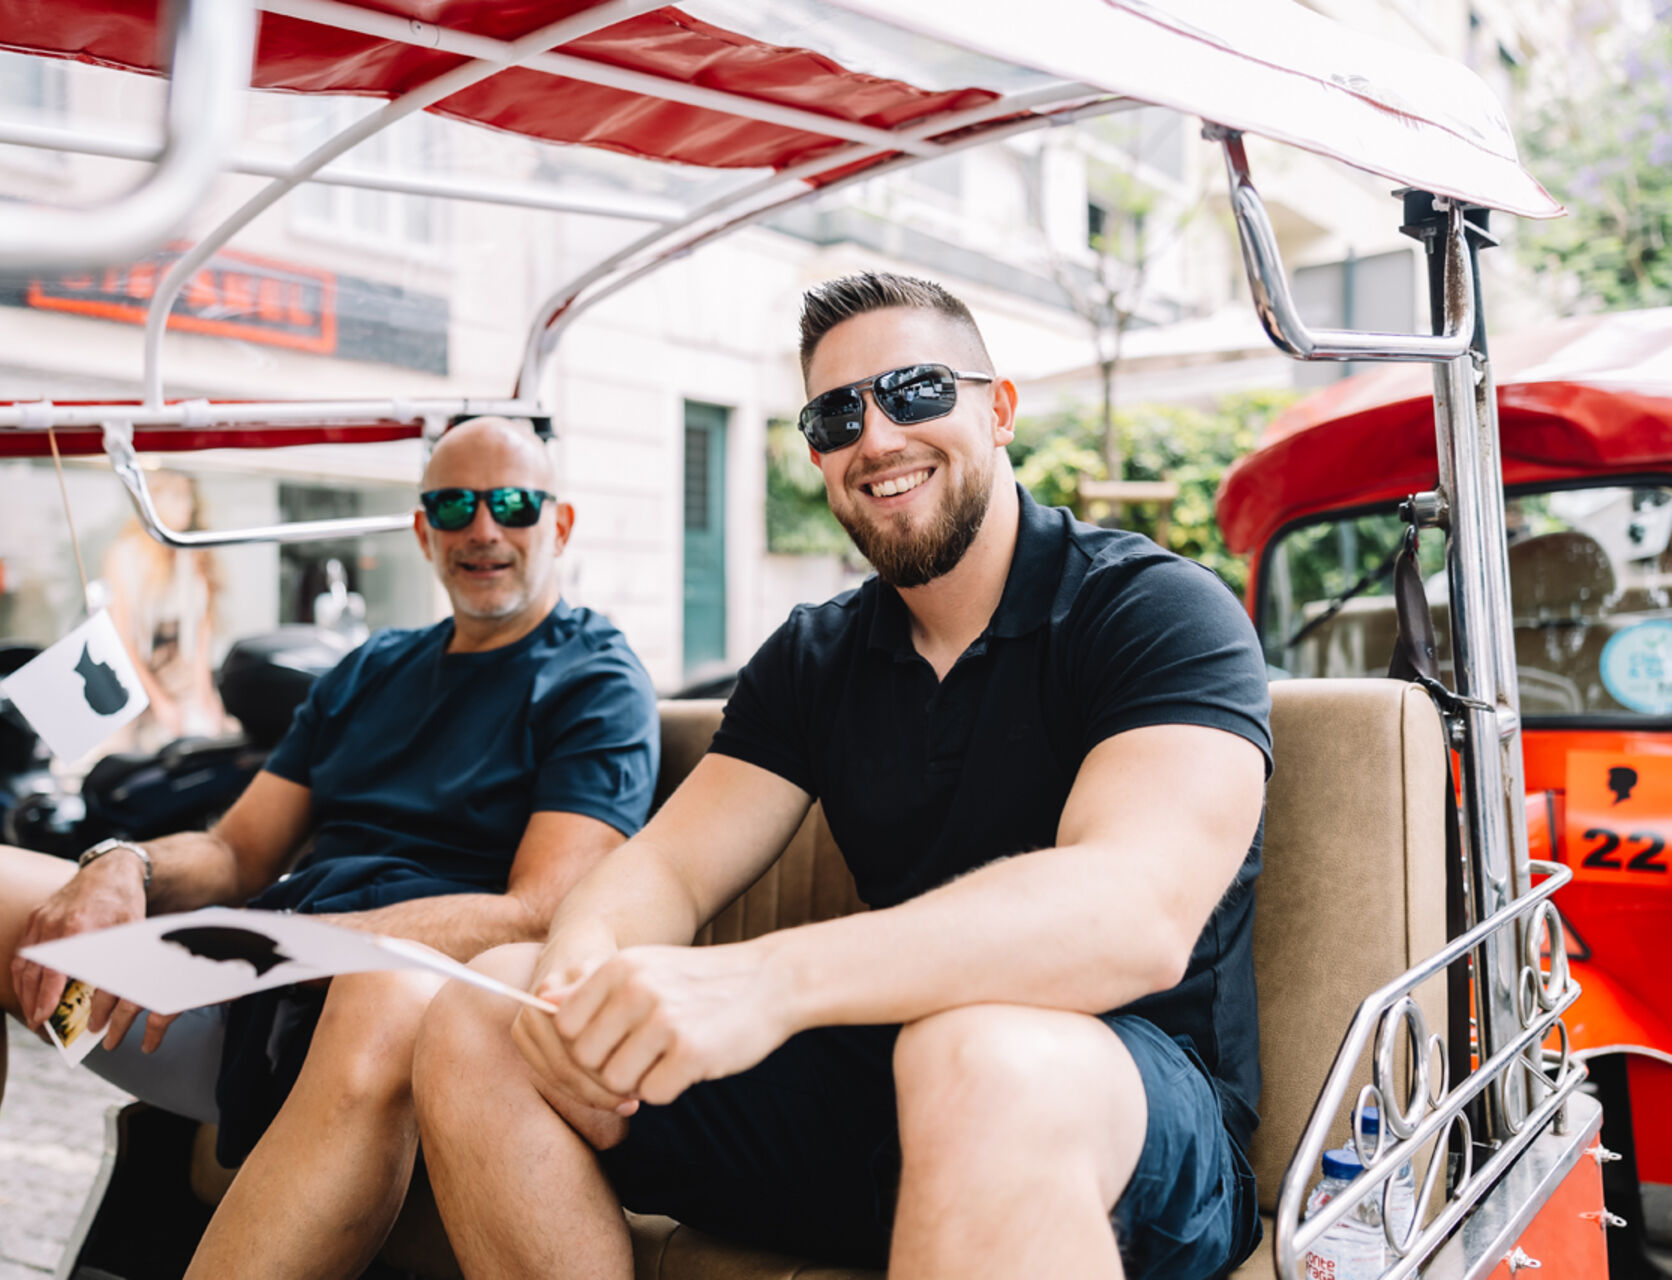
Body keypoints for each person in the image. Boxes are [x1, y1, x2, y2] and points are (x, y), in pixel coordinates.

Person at [414, 275, 1271, 1280]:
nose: (877, 437)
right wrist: (576, 973)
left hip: (1129, 1111)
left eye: (915, 390)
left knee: (976, 1055)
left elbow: (1133, 910)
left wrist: (769, 981)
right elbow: (669, 869)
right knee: (489, 1011)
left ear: (998, 410)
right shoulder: (815, 657)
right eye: (837, 415)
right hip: (882, 1086)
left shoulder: (1154, 610)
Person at [0, 418, 660, 1280]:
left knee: (382, 992)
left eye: (515, 505)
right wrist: (125, 865)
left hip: (409, 1022)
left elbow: (539, 912)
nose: (483, 528)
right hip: (259, 1005)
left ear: (559, 524)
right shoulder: (370, 669)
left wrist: (281, 948)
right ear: (424, 531)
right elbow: (236, 853)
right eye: (455, 506)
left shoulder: (594, 680)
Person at [99, 467, 227, 748]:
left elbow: (202, 632)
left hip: (183, 682)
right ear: (152, 500)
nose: (187, 505)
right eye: (177, 496)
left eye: (189, 496)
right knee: (116, 752)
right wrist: (160, 703)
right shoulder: (124, 556)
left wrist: (206, 695)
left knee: (209, 736)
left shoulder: (194, 552)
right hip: (134, 680)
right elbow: (122, 640)